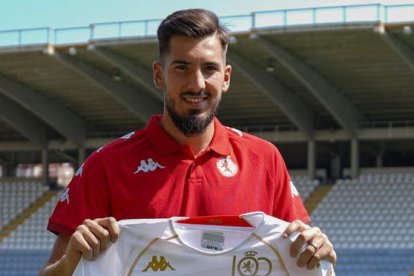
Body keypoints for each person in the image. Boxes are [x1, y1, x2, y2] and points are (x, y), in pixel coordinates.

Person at [40, 8, 336, 275]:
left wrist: (319, 252)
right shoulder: (106, 165)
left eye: (209, 69)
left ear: (226, 77)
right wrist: (69, 266)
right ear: (159, 74)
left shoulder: (264, 159)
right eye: (181, 67)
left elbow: (300, 257)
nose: (197, 84)